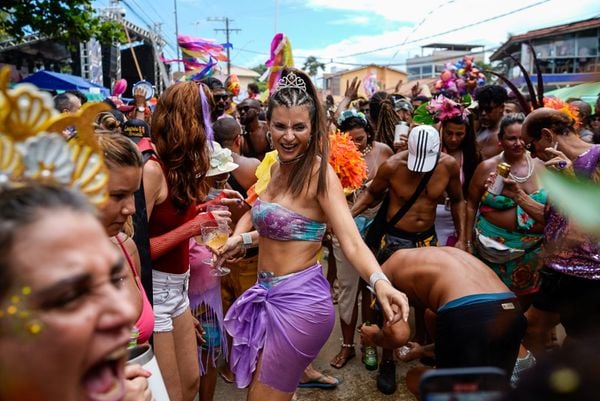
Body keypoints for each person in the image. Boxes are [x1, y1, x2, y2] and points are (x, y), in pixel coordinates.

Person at [218, 67, 409, 401]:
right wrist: (243, 239)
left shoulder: (320, 175)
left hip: (299, 305)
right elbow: (287, 229)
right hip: (266, 297)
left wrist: (380, 282)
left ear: (312, 128)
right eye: (279, 126)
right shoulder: (275, 168)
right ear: (268, 125)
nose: (288, 136)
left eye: (298, 127)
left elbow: (350, 239)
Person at [351, 124, 466, 394]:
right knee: (387, 303)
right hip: (393, 241)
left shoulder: (448, 166)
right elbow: (371, 195)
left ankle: (420, 349)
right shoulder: (392, 166)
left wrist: (464, 239)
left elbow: (459, 200)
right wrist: (346, 217)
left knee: (426, 301)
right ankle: (387, 361)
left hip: (427, 240)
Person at [144, 81, 233, 401]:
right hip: (156, 291)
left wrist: (211, 204)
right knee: (173, 393)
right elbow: (137, 251)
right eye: (206, 116)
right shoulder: (152, 170)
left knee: (192, 384)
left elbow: (174, 217)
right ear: (190, 122)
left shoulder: (175, 166)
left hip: (179, 290)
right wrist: (195, 225)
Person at [360, 247, 526, 397]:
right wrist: (422, 351)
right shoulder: (435, 256)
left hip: (469, 313)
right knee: (492, 391)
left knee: (432, 387)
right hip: (511, 310)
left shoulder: (383, 273)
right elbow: (467, 334)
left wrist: (373, 337)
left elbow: (398, 335)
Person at [513, 108, 600, 356]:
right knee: (531, 327)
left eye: (531, 146)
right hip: (557, 272)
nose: (533, 155)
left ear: (547, 135)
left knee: (579, 343)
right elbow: (554, 220)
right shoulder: (557, 166)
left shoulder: (596, 156)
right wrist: (517, 195)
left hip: (588, 275)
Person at [329, 109, 394, 370]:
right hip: (345, 230)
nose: (357, 144)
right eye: (351, 139)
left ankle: (368, 344)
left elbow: (392, 188)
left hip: (376, 230)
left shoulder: (384, 152)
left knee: (372, 290)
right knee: (347, 291)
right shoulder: (335, 154)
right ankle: (347, 347)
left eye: (361, 138)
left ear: (369, 133)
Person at [466, 113, 547, 308]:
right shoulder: (486, 167)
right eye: (511, 138)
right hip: (490, 250)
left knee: (525, 304)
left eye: (522, 138)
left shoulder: (542, 165)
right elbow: (470, 204)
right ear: (500, 140)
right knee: (493, 302)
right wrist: (466, 241)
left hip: (533, 252)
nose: (518, 143)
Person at [96, 133, 154, 346]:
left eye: (133, 194)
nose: (131, 208)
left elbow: (141, 344)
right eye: (118, 196)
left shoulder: (126, 248)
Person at [435, 100, 480, 246]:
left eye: (459, 134)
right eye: (449, 133)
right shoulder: (431, 153)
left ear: (467, 134)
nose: (453, 139)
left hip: (461, 217)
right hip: (434, 216)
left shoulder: (473, 157)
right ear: (441, 130)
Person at [475, 85, 508, 160]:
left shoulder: (503, 135)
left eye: (488, 109)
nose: (483, 113)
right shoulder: (480, 127)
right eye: (480, 109)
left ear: (501, 108)